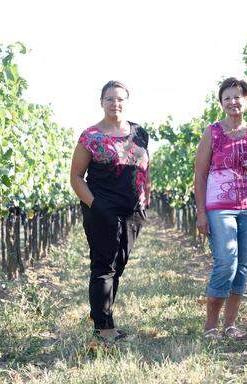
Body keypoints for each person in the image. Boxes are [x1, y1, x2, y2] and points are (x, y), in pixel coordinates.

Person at [70, 80, 150, 342]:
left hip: (132, 211)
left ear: (127, 102)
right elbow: (76, 177)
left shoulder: (140, 133)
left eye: (120, 99)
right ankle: (103, 329)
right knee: (103, 266)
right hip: (102, 208)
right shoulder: (90, 136)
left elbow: (143, 169)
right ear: (101, 102)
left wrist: (144, 201)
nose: (115, 103)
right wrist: (96, 205)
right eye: (110, 99)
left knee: (119, 265)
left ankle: (103, 320)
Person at [194, 77, 247, 340]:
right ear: (221, 103)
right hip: (219, 207)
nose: (233, 101)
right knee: (226, 261)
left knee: (243, 265)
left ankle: (230, 325)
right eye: (227, 98)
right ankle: (211, 325)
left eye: (237, 96)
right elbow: (200, 175)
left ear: (246, 99)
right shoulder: (212, 132)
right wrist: (201, 212)